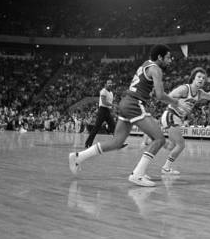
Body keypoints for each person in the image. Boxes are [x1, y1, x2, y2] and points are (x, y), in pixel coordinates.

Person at [68, 45, 191, 187]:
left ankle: (78, 157)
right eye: (168, 57)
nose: (170, 60)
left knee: (116, 142)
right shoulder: (156, 69)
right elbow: (160, 95)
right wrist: (178, 102)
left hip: (126, 102)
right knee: (159, 140)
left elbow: (144, 86)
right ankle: (137, 175)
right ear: (160, 57)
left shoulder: (145, 64)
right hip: (134, 104)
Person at [160, 67, 210, 174]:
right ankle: (166, 168)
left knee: (171, 146)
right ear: (193, 78)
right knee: (181, 145)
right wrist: (178, 103)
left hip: (177, 118)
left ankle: (153, 139)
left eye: (203, 78)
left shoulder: (199, 93)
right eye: (199, 77)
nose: (201, 79)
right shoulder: (185, 89)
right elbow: (167, 97)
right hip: (171, 115)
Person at [84, 79, 116, 148]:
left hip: (107, 111)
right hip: (102, 111)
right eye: (108, 83)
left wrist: (112, 109)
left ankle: (118, 142)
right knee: (96, 128)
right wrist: (113, 105)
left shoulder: (111, 93)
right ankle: (88, 143)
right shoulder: (103, 91)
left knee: (113, 126)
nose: (110, 85)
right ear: (106, 84)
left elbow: (109, 104)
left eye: (111, 83)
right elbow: (104, 102)